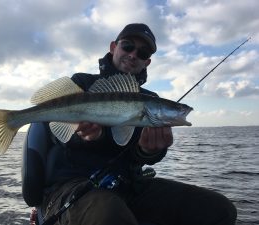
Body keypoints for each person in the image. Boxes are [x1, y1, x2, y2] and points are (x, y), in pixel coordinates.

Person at [23, 23, 237, 225]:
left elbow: (139, 152)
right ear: (114, 47)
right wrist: (89, 138)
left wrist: (148, 151)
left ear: (147, 62)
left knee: (221, 209)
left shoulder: (149, 98)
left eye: (143, 53)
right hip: (70, 186)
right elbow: (56, 134)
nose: (134, 54)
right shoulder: (82, 84)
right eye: (128, 46)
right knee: (110, 213)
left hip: (129, 185)